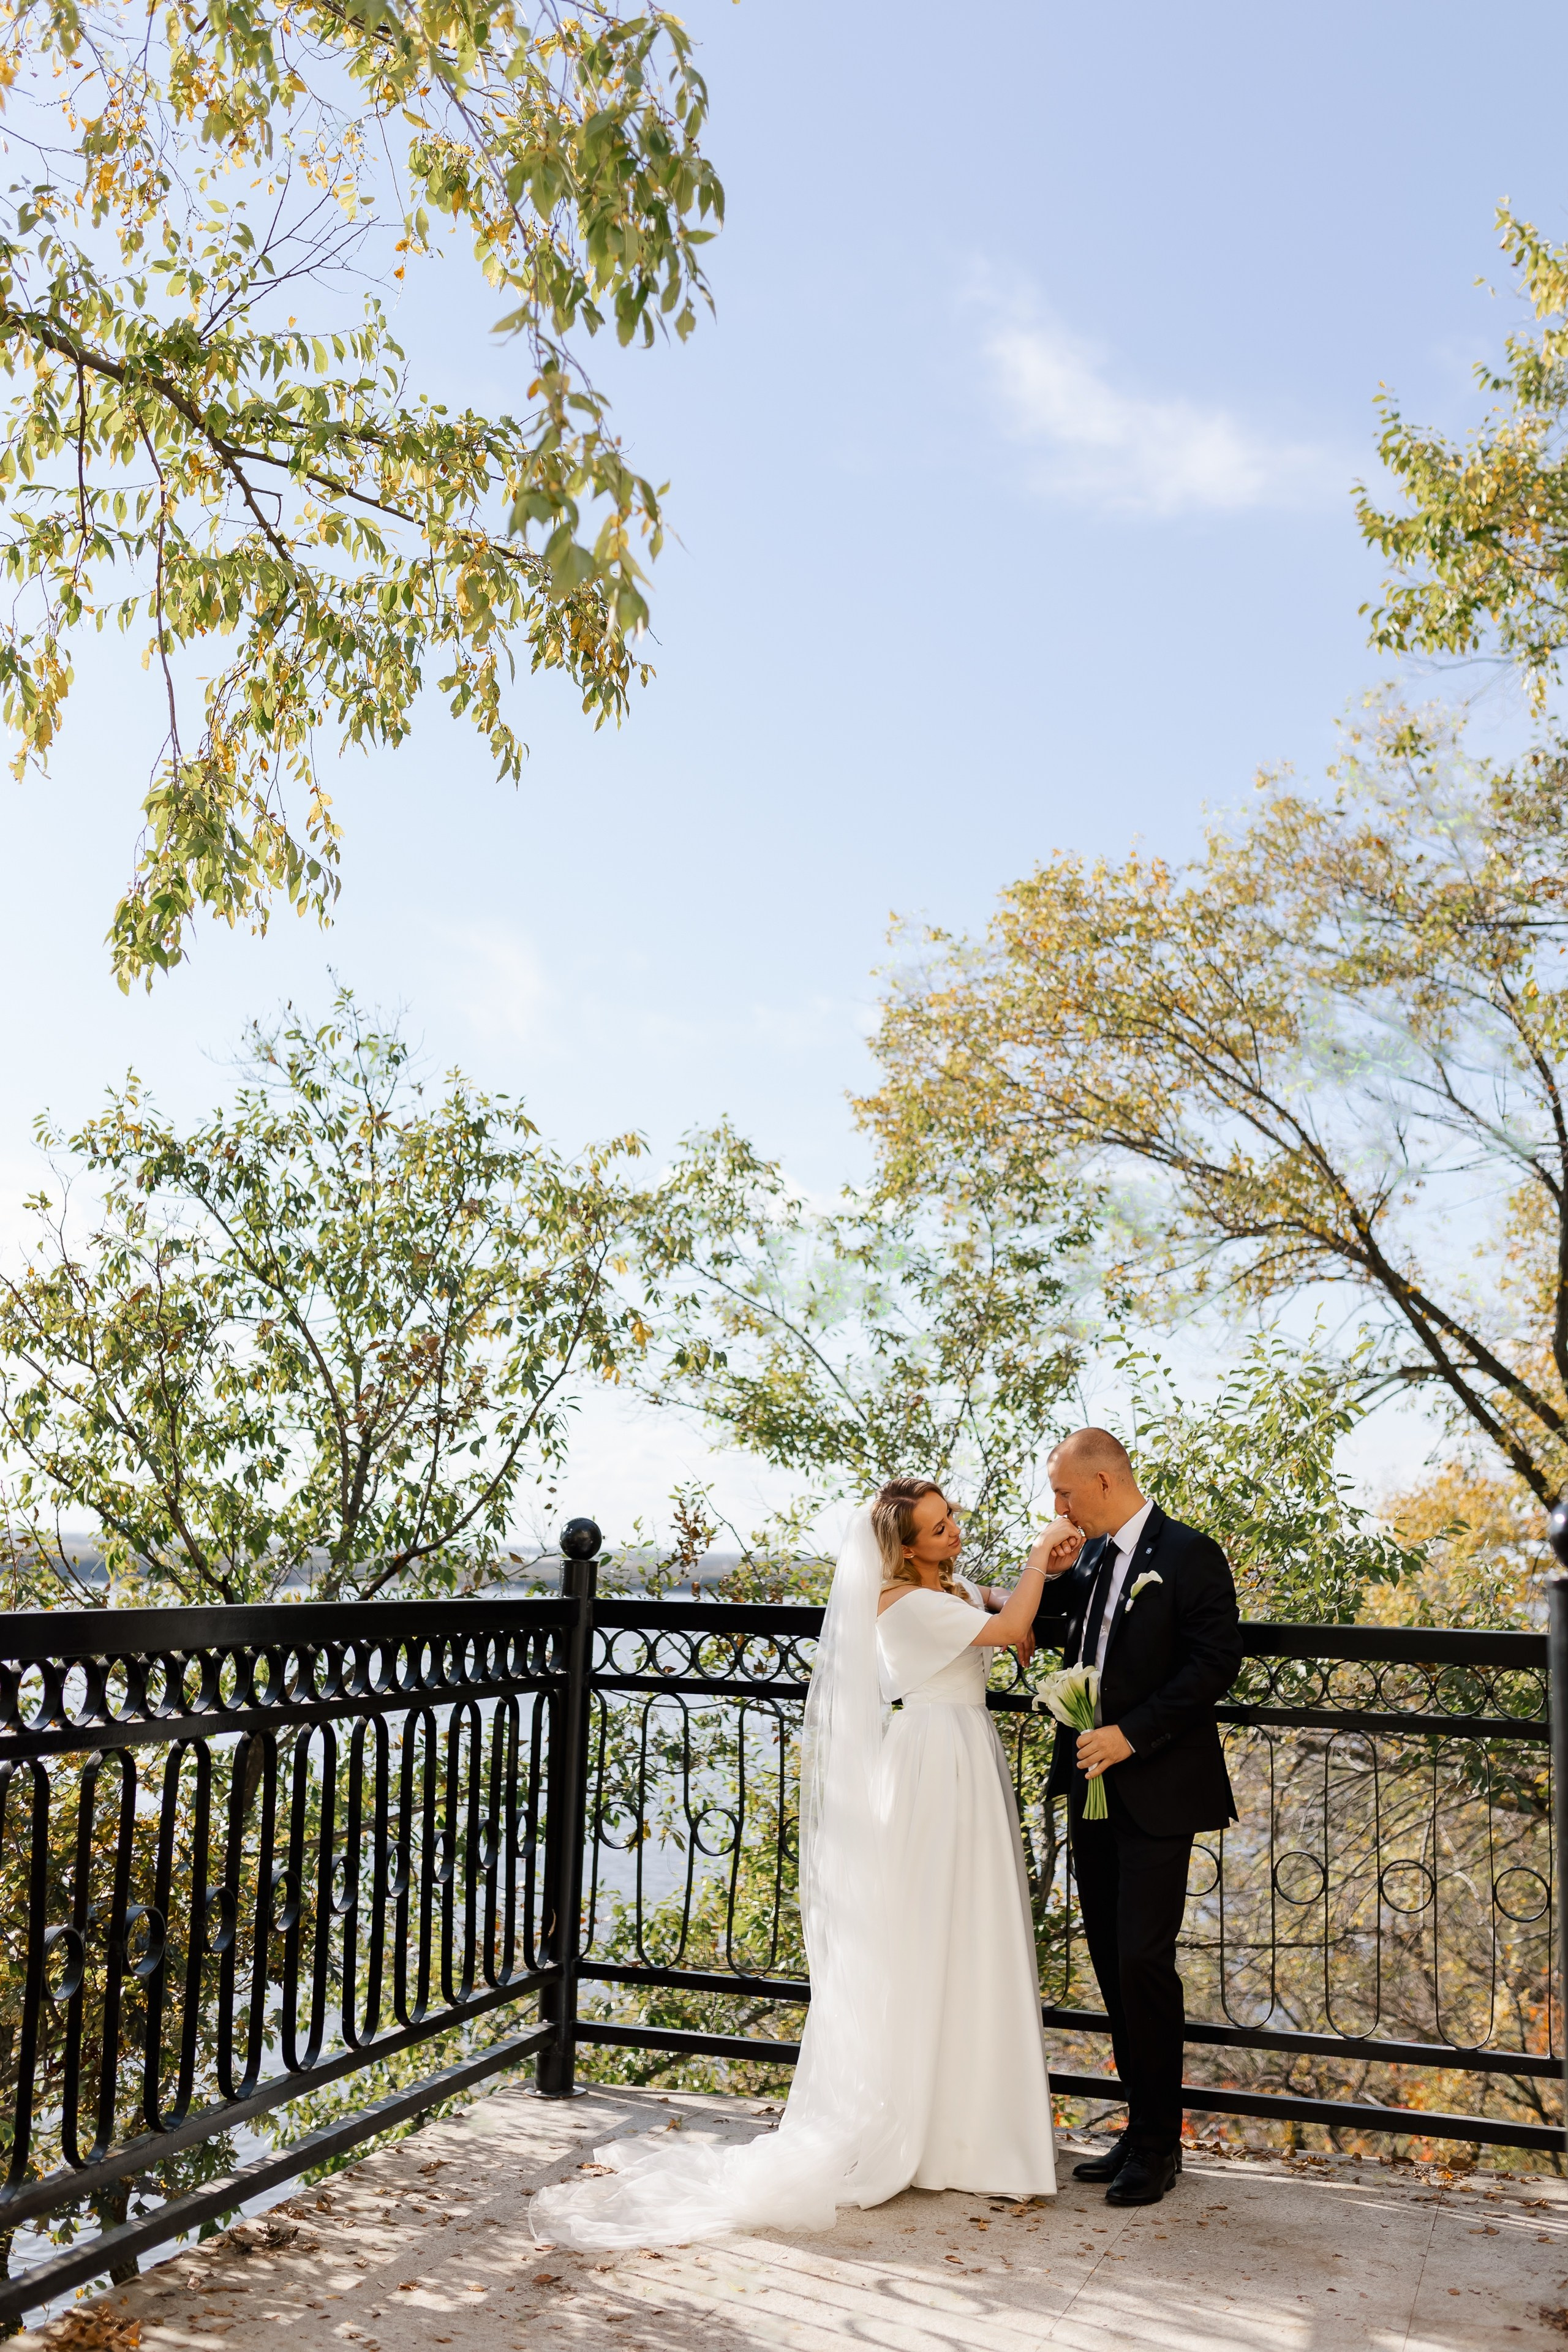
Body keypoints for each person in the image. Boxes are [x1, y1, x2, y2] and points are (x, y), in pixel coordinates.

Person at [529, 1477, 1079, 2250]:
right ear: (906, 1547)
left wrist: (1043, 1572)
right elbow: (1010, 1620)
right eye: (938, 1527)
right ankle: (931, 2129)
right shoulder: (907, 1605)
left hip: (960, 1757)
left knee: (965, 1934)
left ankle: (964, 2129)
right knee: (932, 1935)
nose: (953, 1532)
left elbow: (997, 1598)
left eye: (951, 1519)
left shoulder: (942, 1586)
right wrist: (1028, 1572)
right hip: (933, 1768)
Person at [1030, 1427, 1242, 2209]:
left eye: (1063, 1492)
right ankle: (1137, 2125)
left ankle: (1160, 2144)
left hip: (1157, 1787)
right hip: (1091, 1785)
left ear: (1103, 1482)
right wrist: (1038, 1577)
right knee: (1111, 1957)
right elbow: (1063, 1635)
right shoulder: (1083, 1557)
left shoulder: (1189, 1554)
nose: (1056, 1506)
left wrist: (1133, 1734)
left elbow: (1215, 1662)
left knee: (1144, 1962)